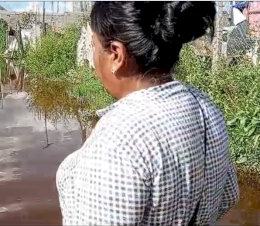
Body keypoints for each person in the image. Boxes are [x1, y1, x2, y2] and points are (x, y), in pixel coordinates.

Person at [56, 1, 239, 225]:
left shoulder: (116, 143)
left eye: (93, 46)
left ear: (116, 54)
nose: (94, 61)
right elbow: (229, 195)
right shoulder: (207, 109)